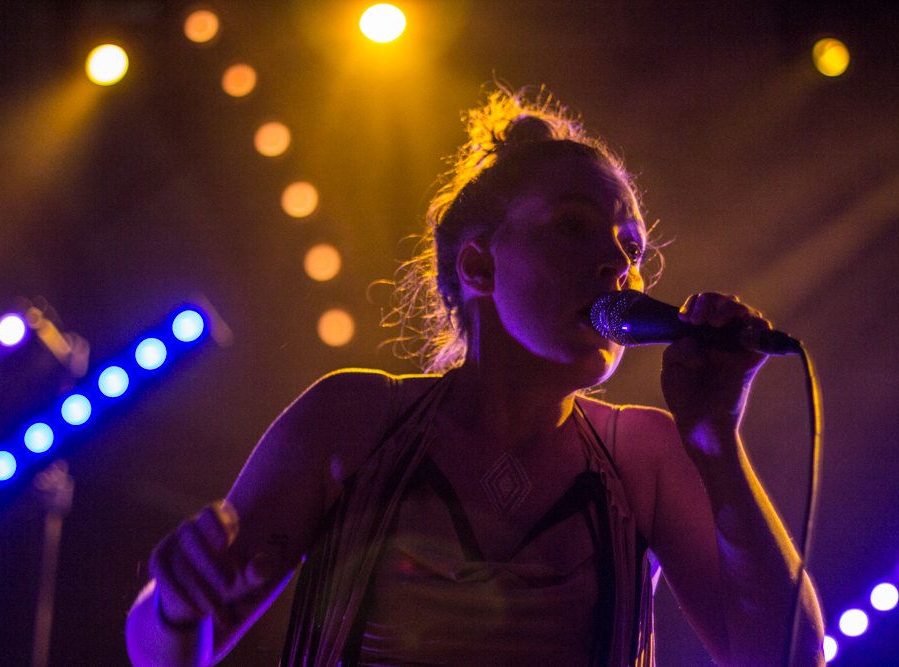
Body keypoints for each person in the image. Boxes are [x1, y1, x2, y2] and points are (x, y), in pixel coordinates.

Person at [125, 88, 825, 667]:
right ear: (478, 267)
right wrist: (177, 605)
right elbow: (164, 651)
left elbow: (791, 657)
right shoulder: (355, 420)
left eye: (632, 247)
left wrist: (717, 444)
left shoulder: (645, 455)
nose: (619, 265)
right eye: (575, 228)